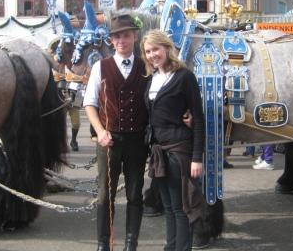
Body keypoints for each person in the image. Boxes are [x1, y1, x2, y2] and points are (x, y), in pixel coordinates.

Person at [84, 14, 149, 251]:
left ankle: (131, 242)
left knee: (134, 193)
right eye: (117, 36)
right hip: (108, 139)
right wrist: (100, 131)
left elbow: (160, 98)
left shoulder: (146, 66)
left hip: (137, 141)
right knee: (104, 195)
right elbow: (90, 104)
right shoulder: (100, 66)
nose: (121, 40)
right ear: (111, 40)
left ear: (134, 36)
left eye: (126, 35)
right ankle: (104, 243)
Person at [141, 30, 207, 251]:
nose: (152, 55)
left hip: (179, 151)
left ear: (167, 48)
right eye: (148, 51)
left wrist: (197, 158)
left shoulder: (184, 76)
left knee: (181, 208)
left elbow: (197, 117)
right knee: (168, 206)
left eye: (156, 49)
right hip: (159, 151)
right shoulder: (152, 78)